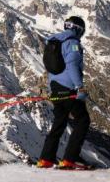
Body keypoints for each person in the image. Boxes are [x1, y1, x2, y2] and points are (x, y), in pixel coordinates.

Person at [37, 16, 91, 170]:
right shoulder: (72, 43)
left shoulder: (54, 42)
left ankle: (45, 159)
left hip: (55, 88)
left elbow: (52, 69)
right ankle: (70, 159)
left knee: (59, 123)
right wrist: (79, 87)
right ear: (78, 30)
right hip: (69, 89)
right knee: (82, 120)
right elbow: (72, 66)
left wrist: (51, 88)